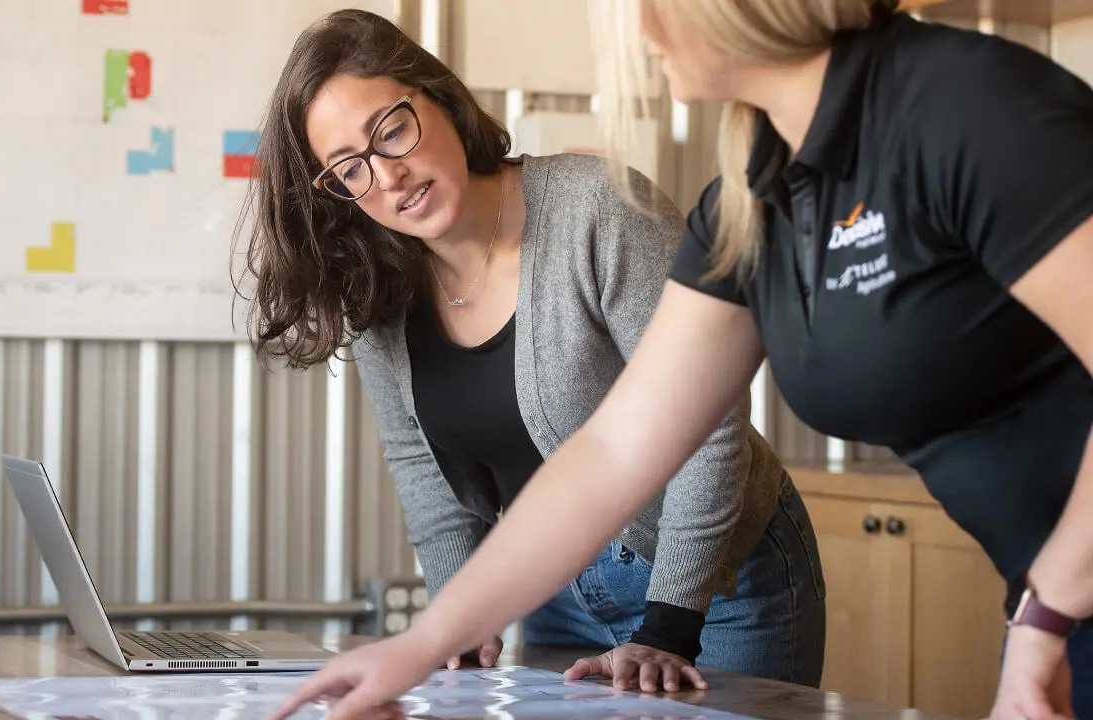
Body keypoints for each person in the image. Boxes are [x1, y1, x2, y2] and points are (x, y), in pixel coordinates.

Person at [267, 1, 1093, 719]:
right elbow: (618, 450)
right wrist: (423, 646)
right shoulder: (755, 185)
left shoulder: (967, 104)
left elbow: (702, 443)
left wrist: (1047, 615)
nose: (636, 30)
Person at [239, 6, 827, 699]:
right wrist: (459, 616)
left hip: (719, 580)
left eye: (392, 131)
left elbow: (708, 428)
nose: (387, 176)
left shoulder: (598, 211)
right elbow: (421, 468)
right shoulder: (376, 288)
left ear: (443, 98)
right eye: (349, 168)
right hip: (550, 586)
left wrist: (669, 624)